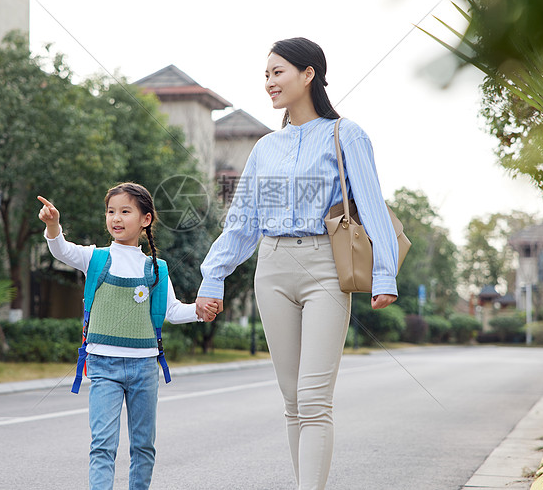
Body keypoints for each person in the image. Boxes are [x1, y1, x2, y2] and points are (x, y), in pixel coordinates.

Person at [196, 37, 400, 489]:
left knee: (313, 399)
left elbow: (370, 206)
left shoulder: (347, 134)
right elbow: (242, 222)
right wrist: (213, 277)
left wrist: (384, 274)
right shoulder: (266, 147)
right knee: (292, 401)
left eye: (277, 72)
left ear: (308, 74)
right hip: (271, 269)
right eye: (265, 75)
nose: (269, 83)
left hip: (324, 267)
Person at [37, 183, 218, 490]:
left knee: (144, 447)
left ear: (145, 219)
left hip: (144, 369)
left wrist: (200, 310)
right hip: (103, 366)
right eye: (111, 211)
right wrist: (54, 225)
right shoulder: (95, 258)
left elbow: (172, 311)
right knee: (103, 445)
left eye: (125, 211)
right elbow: (61, 250)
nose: (116, 218)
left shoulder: (156, 268)